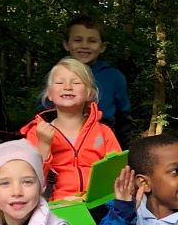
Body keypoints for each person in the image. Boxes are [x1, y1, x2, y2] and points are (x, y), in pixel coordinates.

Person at [22, 57, 120, 201]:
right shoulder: (37, 132)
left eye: (76, 82)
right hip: (55, 206)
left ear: (89, 94)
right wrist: (44, 145)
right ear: (49, 93)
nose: (67, 86)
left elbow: (117, 171)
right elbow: (29, 179)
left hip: (98, 203)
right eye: (60, 82)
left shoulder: (103, 132)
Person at [36, 14, 132, 143]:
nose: (84, 45)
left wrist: (123, 151)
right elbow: (43, 114)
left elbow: (123, 119)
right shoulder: (57, 74)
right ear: (66, 44)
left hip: (102, 139)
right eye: (77, 40)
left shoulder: (114, 77)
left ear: (102, 47)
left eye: (92, 41)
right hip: (61, 138)